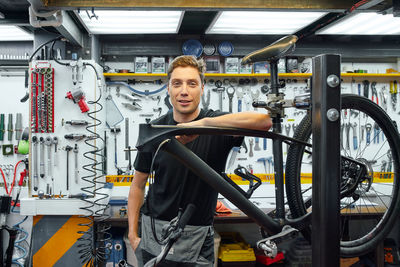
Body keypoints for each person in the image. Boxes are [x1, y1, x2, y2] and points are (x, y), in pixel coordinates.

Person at [128, 55, 272, 266]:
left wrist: (203, 124)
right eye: (177, 83)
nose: (184, 91)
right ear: (168, 88)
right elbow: (138, 185)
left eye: (192, 83)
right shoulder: (155, 131)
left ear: (202, 89)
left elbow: (264, 121)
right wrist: (132, 235)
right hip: (153, 229)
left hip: (197, 234)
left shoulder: (216, 125)